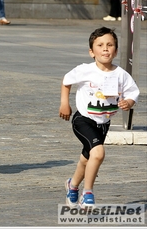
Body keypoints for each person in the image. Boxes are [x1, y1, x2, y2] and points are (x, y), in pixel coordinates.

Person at [59, 27, 140, 207]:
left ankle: (72, 185)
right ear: (91, 52)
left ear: (116, 51)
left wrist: (128, 102)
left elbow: (133, 92)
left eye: (110, 45)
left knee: (87, 158)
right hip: (83, 119)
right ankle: (87, 193)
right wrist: (65, 103)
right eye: (100, 45)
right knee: (98, 152)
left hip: (104, 123)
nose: (105, 49)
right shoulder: (85, 70)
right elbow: (66, 81)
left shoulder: (121, 74)